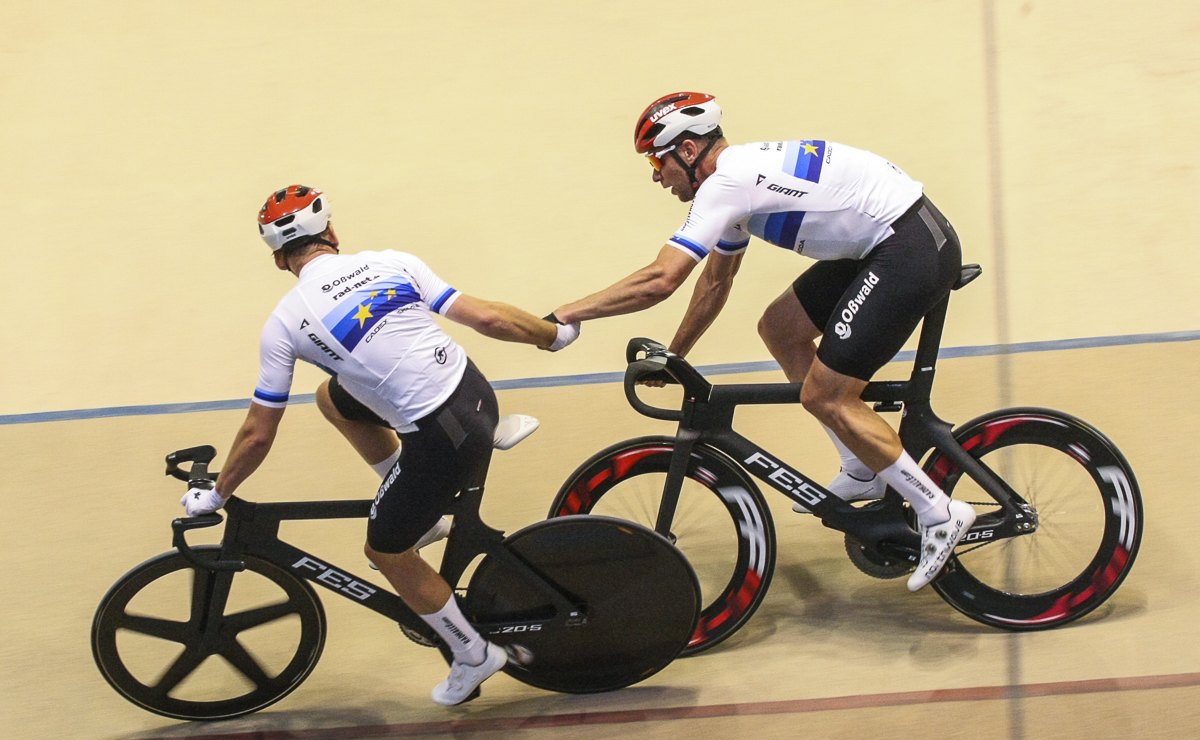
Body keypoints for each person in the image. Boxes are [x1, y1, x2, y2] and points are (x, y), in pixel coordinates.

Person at [552, 92, 974, 591]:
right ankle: (863, 467)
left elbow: (661, 280)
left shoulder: (727, 184)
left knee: (826, 395)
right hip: (891, 240)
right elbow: (713, 285)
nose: (654, 175)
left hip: (908, 249)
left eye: (656, 160)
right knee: (781, 328)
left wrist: (565, 315)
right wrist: (675, 356)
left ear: (688, 151)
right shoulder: (736, 183)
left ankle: (938, 510)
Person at [180, 185, 579, 705]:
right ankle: (430, 516)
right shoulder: (392, 262)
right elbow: (488, 318)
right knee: (332, 396)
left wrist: (216, 494)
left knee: (384, 549)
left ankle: (473, 655)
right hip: (477, 397)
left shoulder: (284, 324)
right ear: (333, 235)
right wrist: (552, 335)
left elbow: (258, 434)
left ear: (280, 261)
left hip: (442, 440)